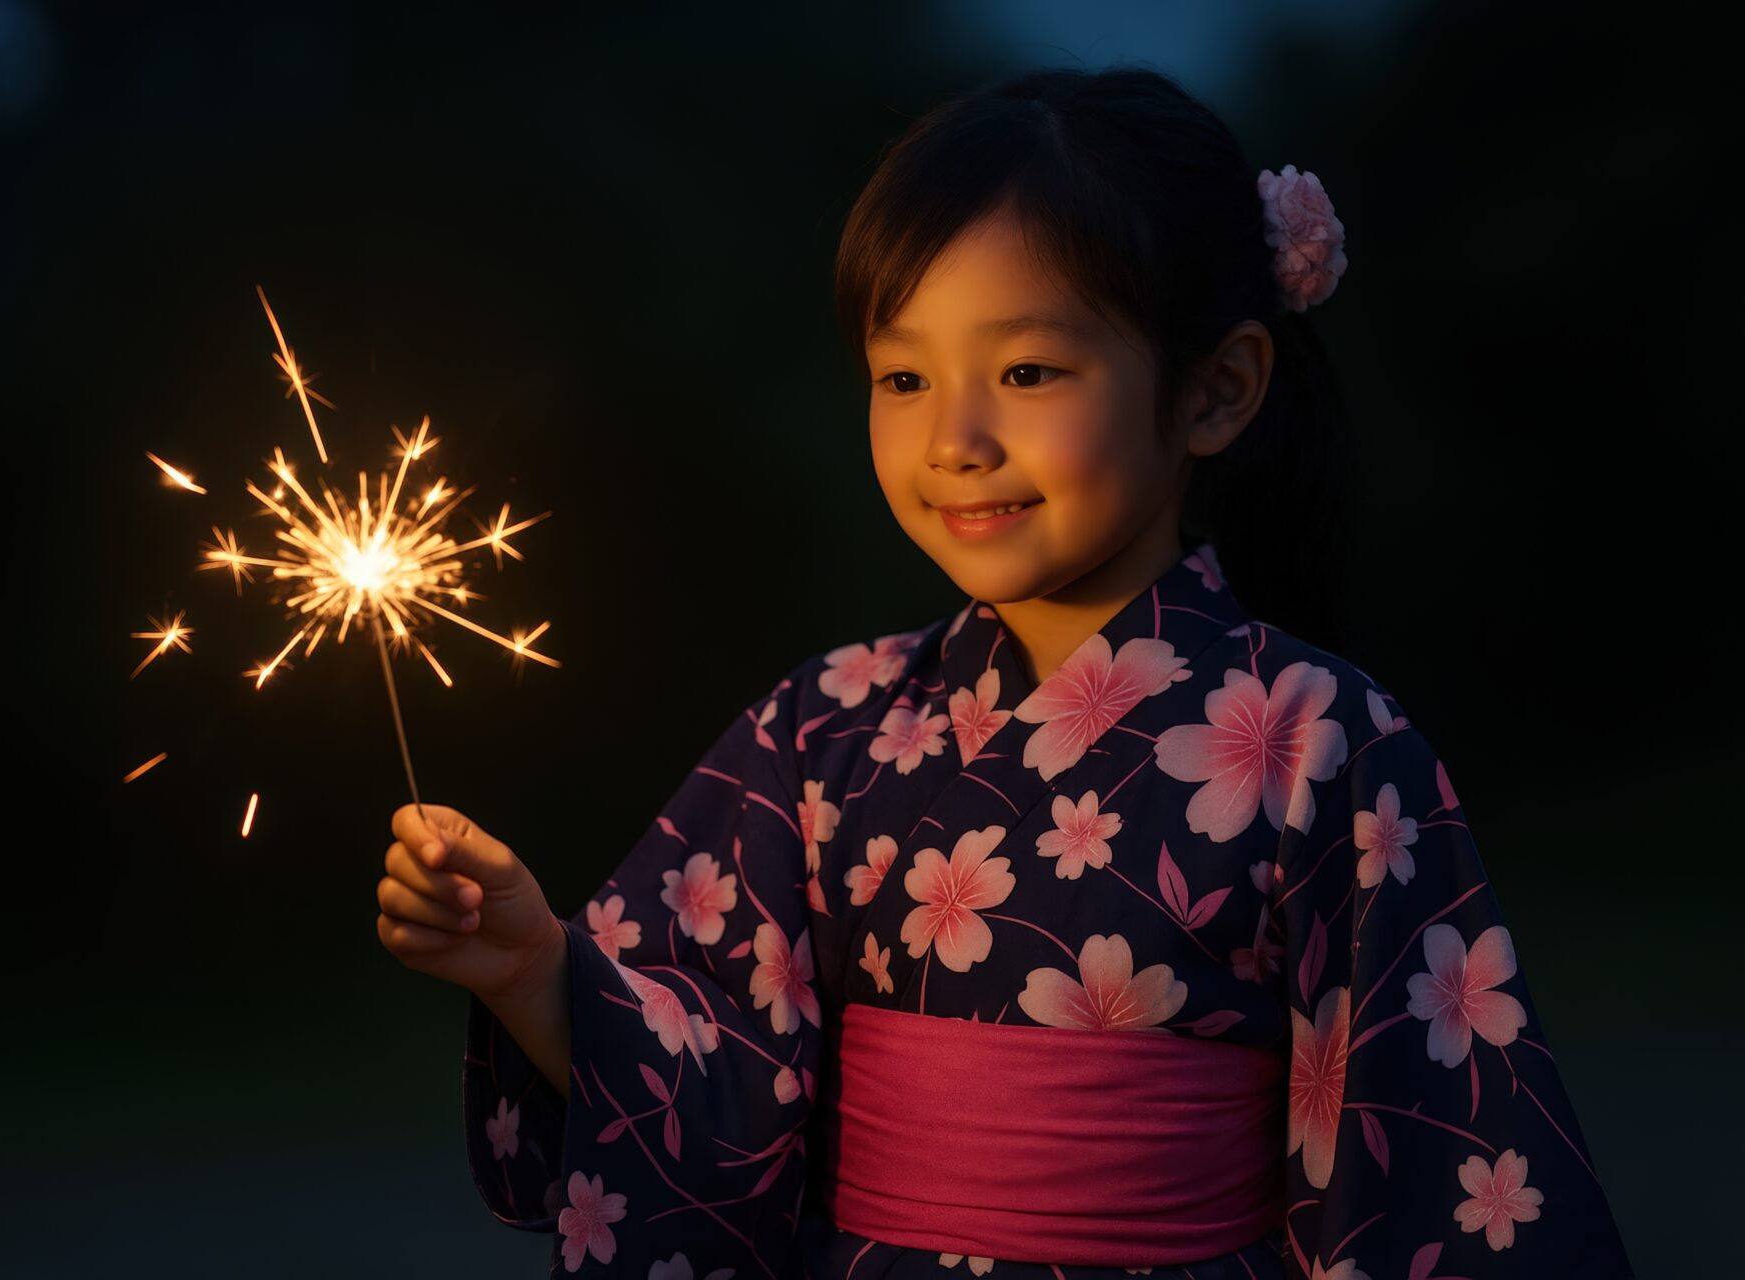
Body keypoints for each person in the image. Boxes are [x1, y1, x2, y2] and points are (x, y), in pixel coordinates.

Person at [377, 66, 1636, 1279]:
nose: (956, 439)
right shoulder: (821, 728)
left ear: (1216, 389)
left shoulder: (1322, 742)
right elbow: (717, 1097)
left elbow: (1427, 1172)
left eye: (1028, 371)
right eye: (904, 376)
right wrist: (538, 964)